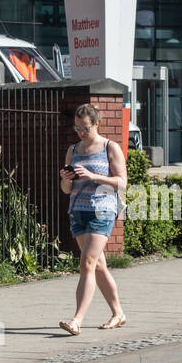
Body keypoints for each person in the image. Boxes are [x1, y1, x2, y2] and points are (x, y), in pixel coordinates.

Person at [59, 103, 127, 335]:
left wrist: (94, 176)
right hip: (78, 210)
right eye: (77, 128)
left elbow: (122, 181)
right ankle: (118, 313)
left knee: (87, 263)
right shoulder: (73, 150)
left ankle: (76, 320)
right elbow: (66, 190)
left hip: (102, 210)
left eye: (85, 128)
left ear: (97, 124)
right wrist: (66, 179)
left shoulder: (110, 147)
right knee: (98, 265)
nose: (80, 133)